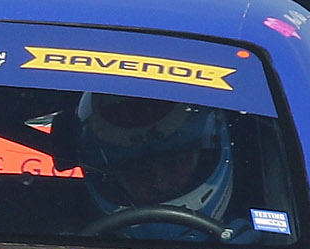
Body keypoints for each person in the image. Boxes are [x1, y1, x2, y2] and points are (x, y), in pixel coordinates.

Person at [79, 96, 232, 236]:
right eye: (140, 171)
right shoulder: (62, 247)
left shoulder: (252, 248)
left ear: (203, 160)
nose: (161, 183)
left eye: (172, 164)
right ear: (115, 180)